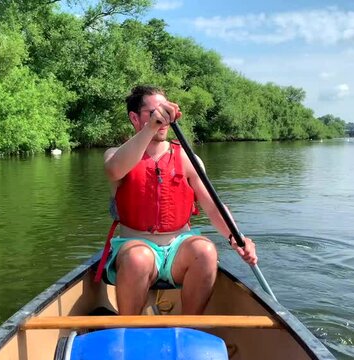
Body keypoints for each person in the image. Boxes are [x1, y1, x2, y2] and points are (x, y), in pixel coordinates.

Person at [101, 85, 258, 315]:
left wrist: (238, 238)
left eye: (164, 112)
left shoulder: (187, 158)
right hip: (136, 247)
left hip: (178, 249)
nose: (161, 119)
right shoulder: (116, 154)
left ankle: (189, 327)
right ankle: (129, 328)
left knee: (205, 250)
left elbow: (214, 207)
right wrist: (151, 127)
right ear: (134, 117)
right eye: (153, 112)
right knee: (138, 258)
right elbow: (114, 170)